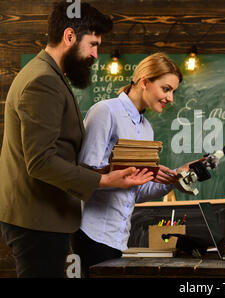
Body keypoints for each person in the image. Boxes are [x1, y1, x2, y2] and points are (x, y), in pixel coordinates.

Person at [0, 2, 154, 278]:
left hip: (46, 219)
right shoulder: (43, 81)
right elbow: (41, 162)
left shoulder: (51, 76)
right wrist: (106, 180)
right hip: (38, 221)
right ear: (69, 36)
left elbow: (57, 155)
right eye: (93, 44)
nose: (96, 54)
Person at [71, 52, 197, 277]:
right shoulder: (105, 112)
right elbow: (83, 176)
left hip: (119, 240)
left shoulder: (146, 128)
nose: (170, 98)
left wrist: (174, 179)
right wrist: (121, 178)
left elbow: (135, 192)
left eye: (173, 91)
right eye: (166, 89)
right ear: (145, 81)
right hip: (91, 235)